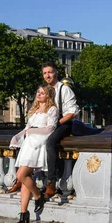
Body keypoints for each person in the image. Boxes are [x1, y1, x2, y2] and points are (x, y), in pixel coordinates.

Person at [9, 85, 59, 223]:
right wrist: (17, 137)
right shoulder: (34, 110)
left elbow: (51, 128)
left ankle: (38, 196)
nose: (39, 95)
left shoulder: (52, 110)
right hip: (28, 145)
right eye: (38, 92)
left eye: (42, 93)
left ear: (49, 95)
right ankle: (23, 213)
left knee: (21, 175)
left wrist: (33, 132)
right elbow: (27, 129)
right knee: (25, 179)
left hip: (39, 144)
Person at [41, 62, 79, 198]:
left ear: (56, 73)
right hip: (49, 122)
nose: (47, 75)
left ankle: (51, 181)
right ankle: (26, 177)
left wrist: (57, 123)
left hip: (64, 122)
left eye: (50, 72)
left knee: (51, 142)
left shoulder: (64, 89)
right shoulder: (45, 90)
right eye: (45, 73)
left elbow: (72, 112)